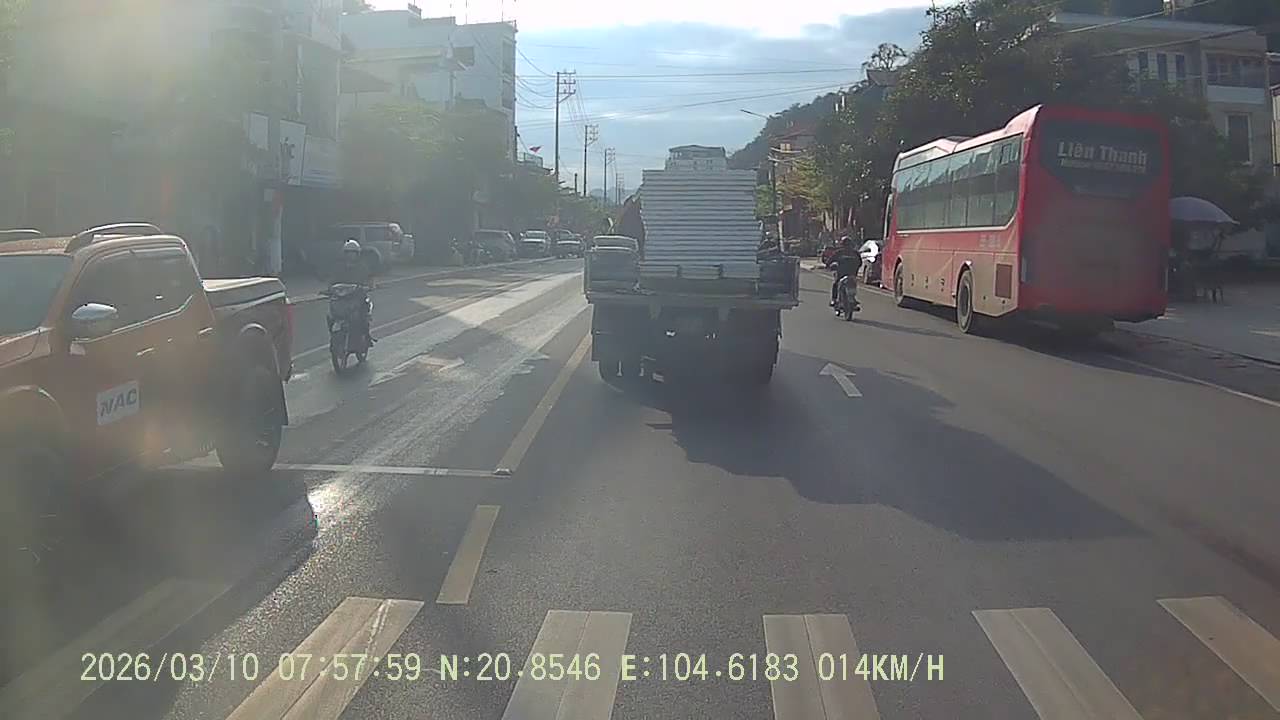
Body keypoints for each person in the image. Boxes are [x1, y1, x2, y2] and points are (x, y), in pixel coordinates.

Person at [333, 239, 375, 345]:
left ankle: (366, 337)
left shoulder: (362, 266)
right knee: (331, 314)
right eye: (348, 253)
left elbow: (369, 279)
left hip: (357, 297)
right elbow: (332, 280)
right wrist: (330, 288)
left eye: (353, 253)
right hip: (342, 298)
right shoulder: (339, 267)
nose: (350, 255)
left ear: (357, 254)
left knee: (361, 316)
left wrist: (368, 286)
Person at [830, 235, 861, 311]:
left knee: (852, 285)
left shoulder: (854, 253)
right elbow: (830, 261)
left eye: (848, 244)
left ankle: (851, 299)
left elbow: (860, 262)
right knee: (836, 283)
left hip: (850, 274)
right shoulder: (839, 252)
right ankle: (834, 299)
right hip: (843, 274)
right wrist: (830, 265)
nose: (847, 246)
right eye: (845, 244)